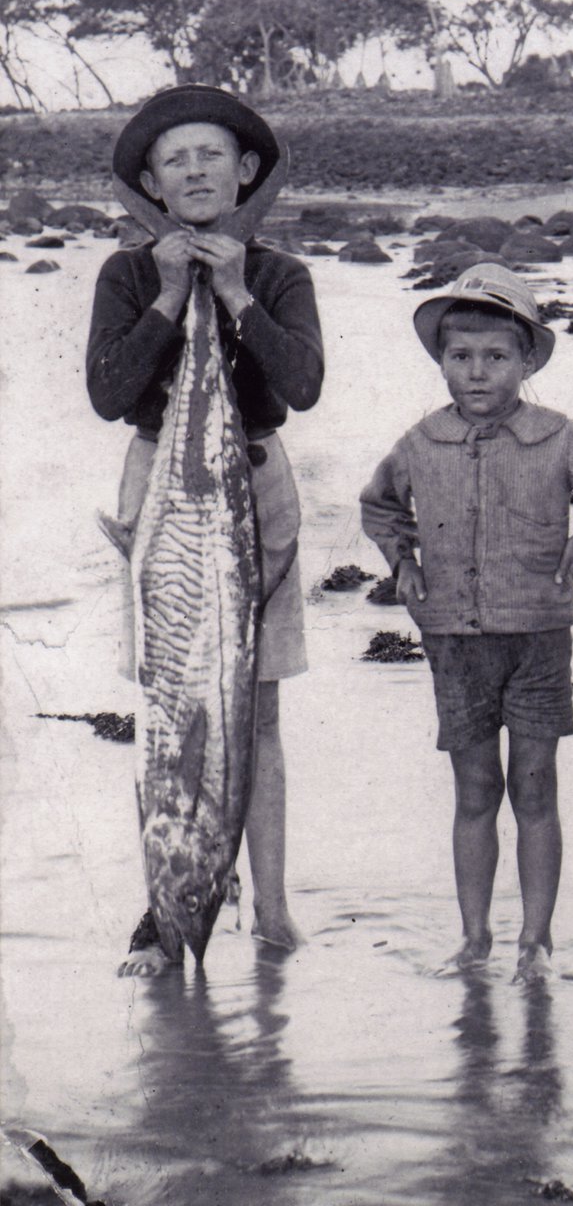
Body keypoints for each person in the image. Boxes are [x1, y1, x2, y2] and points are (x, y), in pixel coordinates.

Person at [86, 85, 324, 977]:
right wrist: (170, 293)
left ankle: (271, 905)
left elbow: (301, 388)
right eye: (175, 159)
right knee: (169, 708)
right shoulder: (125, 273)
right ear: (150, 180)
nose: (194, 170)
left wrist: (232, 291)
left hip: (252, 487)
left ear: (246, 171)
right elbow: (110, 396)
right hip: (163, 490)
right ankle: (163, 910)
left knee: (252, 713)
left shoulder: (279, 272)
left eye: (211, 155)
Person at [360, 264, 573, 981]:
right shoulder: (419, 442)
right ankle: (473, 938)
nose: (477, 372)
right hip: (453, 642)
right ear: (441, 362)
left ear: (526, 362)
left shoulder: (560, 438)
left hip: (538, 638)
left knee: (534, 786)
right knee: (474, 792)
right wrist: (403, 563)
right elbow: (378, 505)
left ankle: (537, 941)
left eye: (496, 357)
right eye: (460, 356)